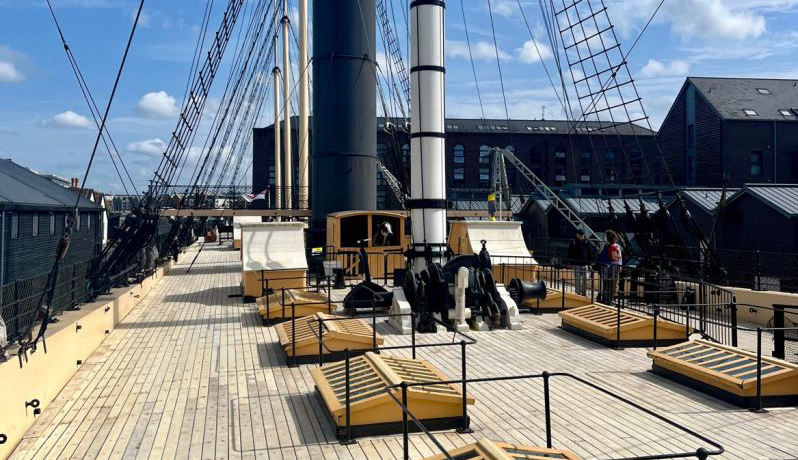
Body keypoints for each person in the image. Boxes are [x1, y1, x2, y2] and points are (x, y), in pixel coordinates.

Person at [598, 229, 623, 304]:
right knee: (612, 284)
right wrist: (620, 255)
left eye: (605, 236)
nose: (604, 238)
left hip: (606, 267)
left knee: (606, 283)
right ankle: (609, 300)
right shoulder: (613, 246)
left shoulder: (608, 246)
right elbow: (614, 257)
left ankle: (606, 299)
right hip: (612, 268)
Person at [567, 229, 592, 296]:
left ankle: (584, 293)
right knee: (577, 280)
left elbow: (589, 253)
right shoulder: (573, 242)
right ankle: (577, 293)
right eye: (580, 235)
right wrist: (570, 263)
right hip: (576, 265)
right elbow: (569, 253)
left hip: (585, 265)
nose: (581, 236)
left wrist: (590, 264)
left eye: (582, 235)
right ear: (577, 235)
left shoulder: (586, 242)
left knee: (586, 280)